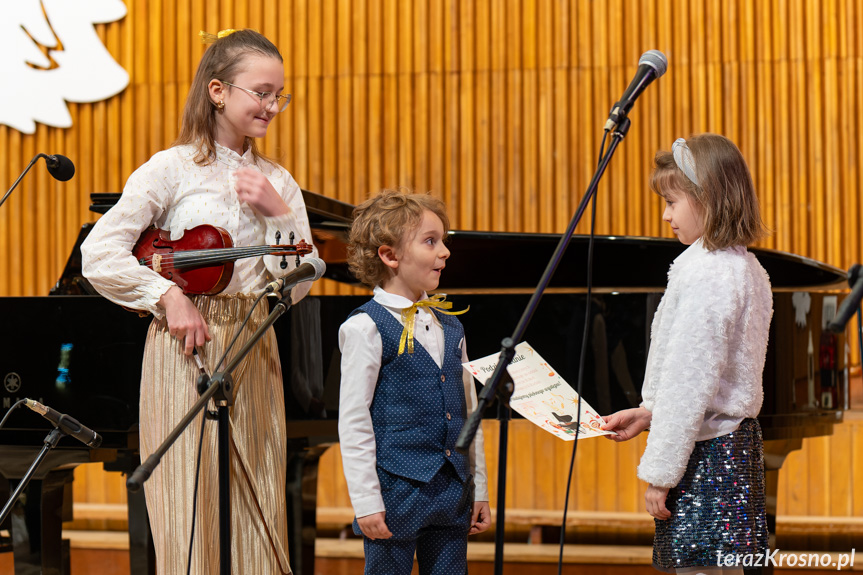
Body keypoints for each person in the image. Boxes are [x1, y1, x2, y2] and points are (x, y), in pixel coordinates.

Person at [81, 29, 316, 574]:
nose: (272, 106)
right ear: (217, 91)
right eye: (261, 92)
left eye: (279, 95)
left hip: (255, 342)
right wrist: (165, 294)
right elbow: (100, 253)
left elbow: (297, 285)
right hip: (182, 347)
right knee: (186, 501)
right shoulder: (171, 168)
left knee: (258, 509)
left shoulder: (279, 180)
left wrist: (280, 214)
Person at [601, 134, 773, 574]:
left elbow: (689, 383)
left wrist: (660, 474)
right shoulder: (744, 266)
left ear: (708, 199)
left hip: (708, 461)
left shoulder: (709, 273)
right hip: (729, 451)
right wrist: (648, 413)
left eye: (673, 202)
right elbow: (704, 380)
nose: (666, 215)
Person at [338, 190, 491, 574]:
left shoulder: (450, 323)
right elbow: (354, 421)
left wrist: (480, 488)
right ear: (390, 256)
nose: (445, 252)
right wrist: (366, 501)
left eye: (443, 241)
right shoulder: (365, 327)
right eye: (430, 241)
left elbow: (471, 413)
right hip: (395, 495)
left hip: (452, 493)